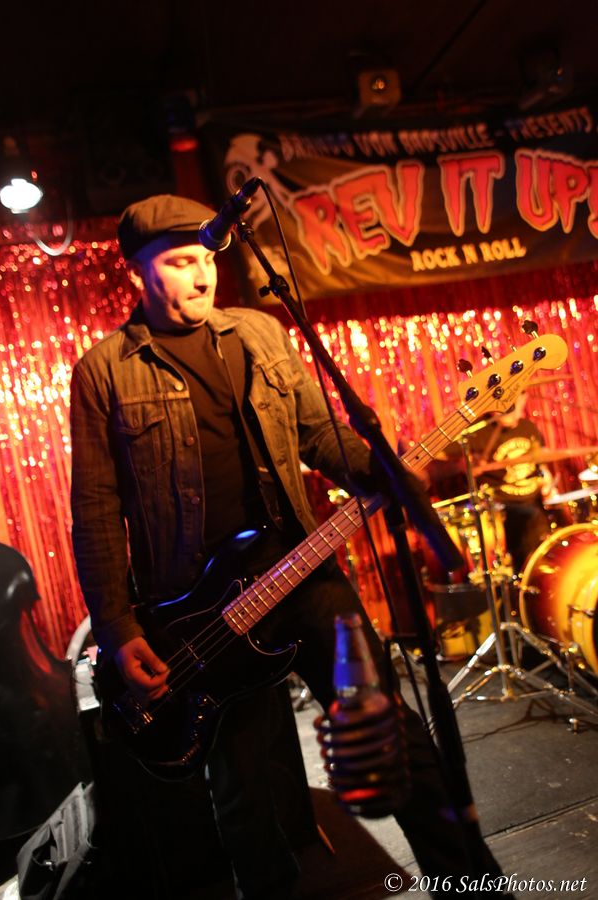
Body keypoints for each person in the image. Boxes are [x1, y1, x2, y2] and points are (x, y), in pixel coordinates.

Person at [70, 194, 513, 899]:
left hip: (303, 572)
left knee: (394, 741)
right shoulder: (104, 371)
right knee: (245, 792)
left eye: (207, 258)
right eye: (180, 262)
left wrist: (380, 465)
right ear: (137, 273)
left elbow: (317, 433)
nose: (202, 274)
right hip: (198, 613)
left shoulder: (259, 332)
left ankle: (473, 888)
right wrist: (120, 630)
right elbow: (95, 509)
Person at [428, 392, 553, 576]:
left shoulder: (529, 428)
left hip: (534, 501)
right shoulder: (477, 431)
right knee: (530, 518)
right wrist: (463, 464)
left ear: (523, 398)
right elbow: (434, 457)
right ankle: (529, 578)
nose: (508, 407)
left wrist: (548, 480)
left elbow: (540, 463)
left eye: (513, 400)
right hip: (501, 508)